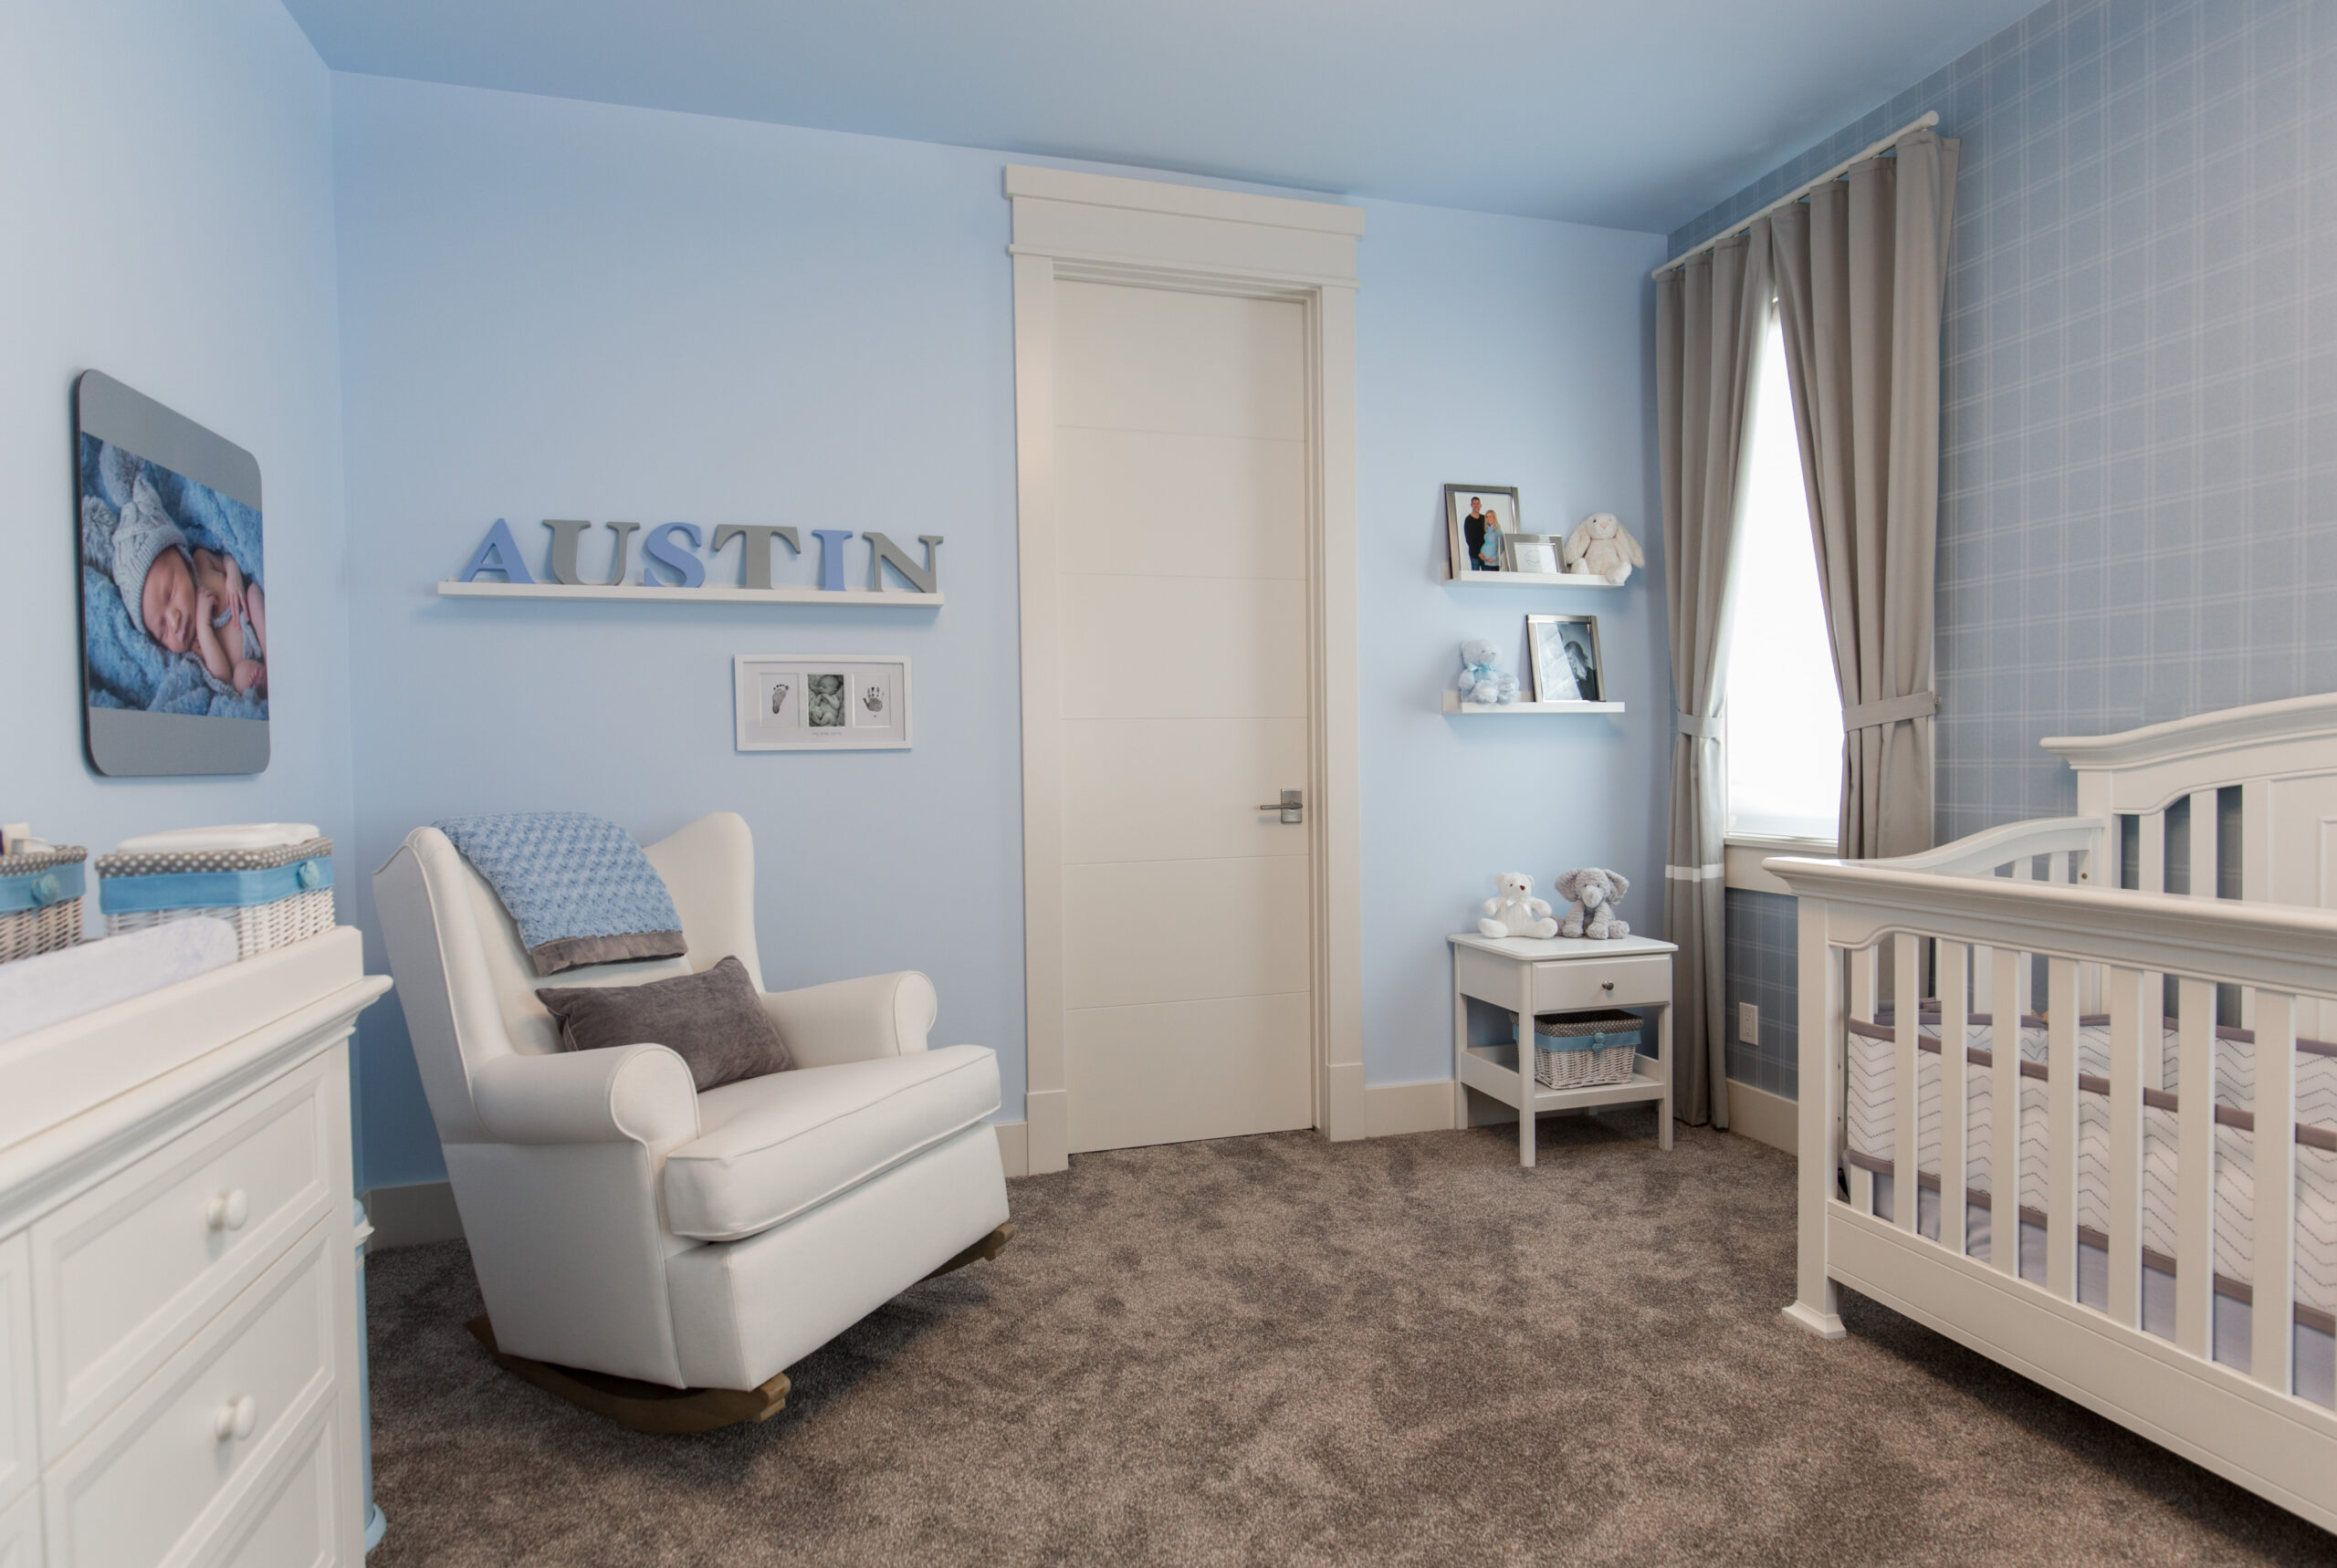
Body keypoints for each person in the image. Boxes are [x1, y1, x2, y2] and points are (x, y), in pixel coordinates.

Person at [113, 489, 267, 696]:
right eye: (163, 630)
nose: (174, 621)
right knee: (240, 678)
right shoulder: (195, 646)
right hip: (246, 663)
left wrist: (233, 576)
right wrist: (204, 628)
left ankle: (272, 656)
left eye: (170, 593)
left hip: (256, 623)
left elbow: (229, 559)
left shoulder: (202, 561)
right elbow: (222, 676)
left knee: (254, 593)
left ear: (183, 560)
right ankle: (267, 679)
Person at [1474, 502, 1505, 571]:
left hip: (1492, 563)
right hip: (1485, 561)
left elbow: (1502, 547)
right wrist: (1481, 553)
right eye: (1487, 517)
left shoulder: (1497, 530)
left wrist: (1494, 558)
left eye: (1490, 516)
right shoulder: (1487, 530)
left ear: (1494, 518)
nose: (1489, 518)